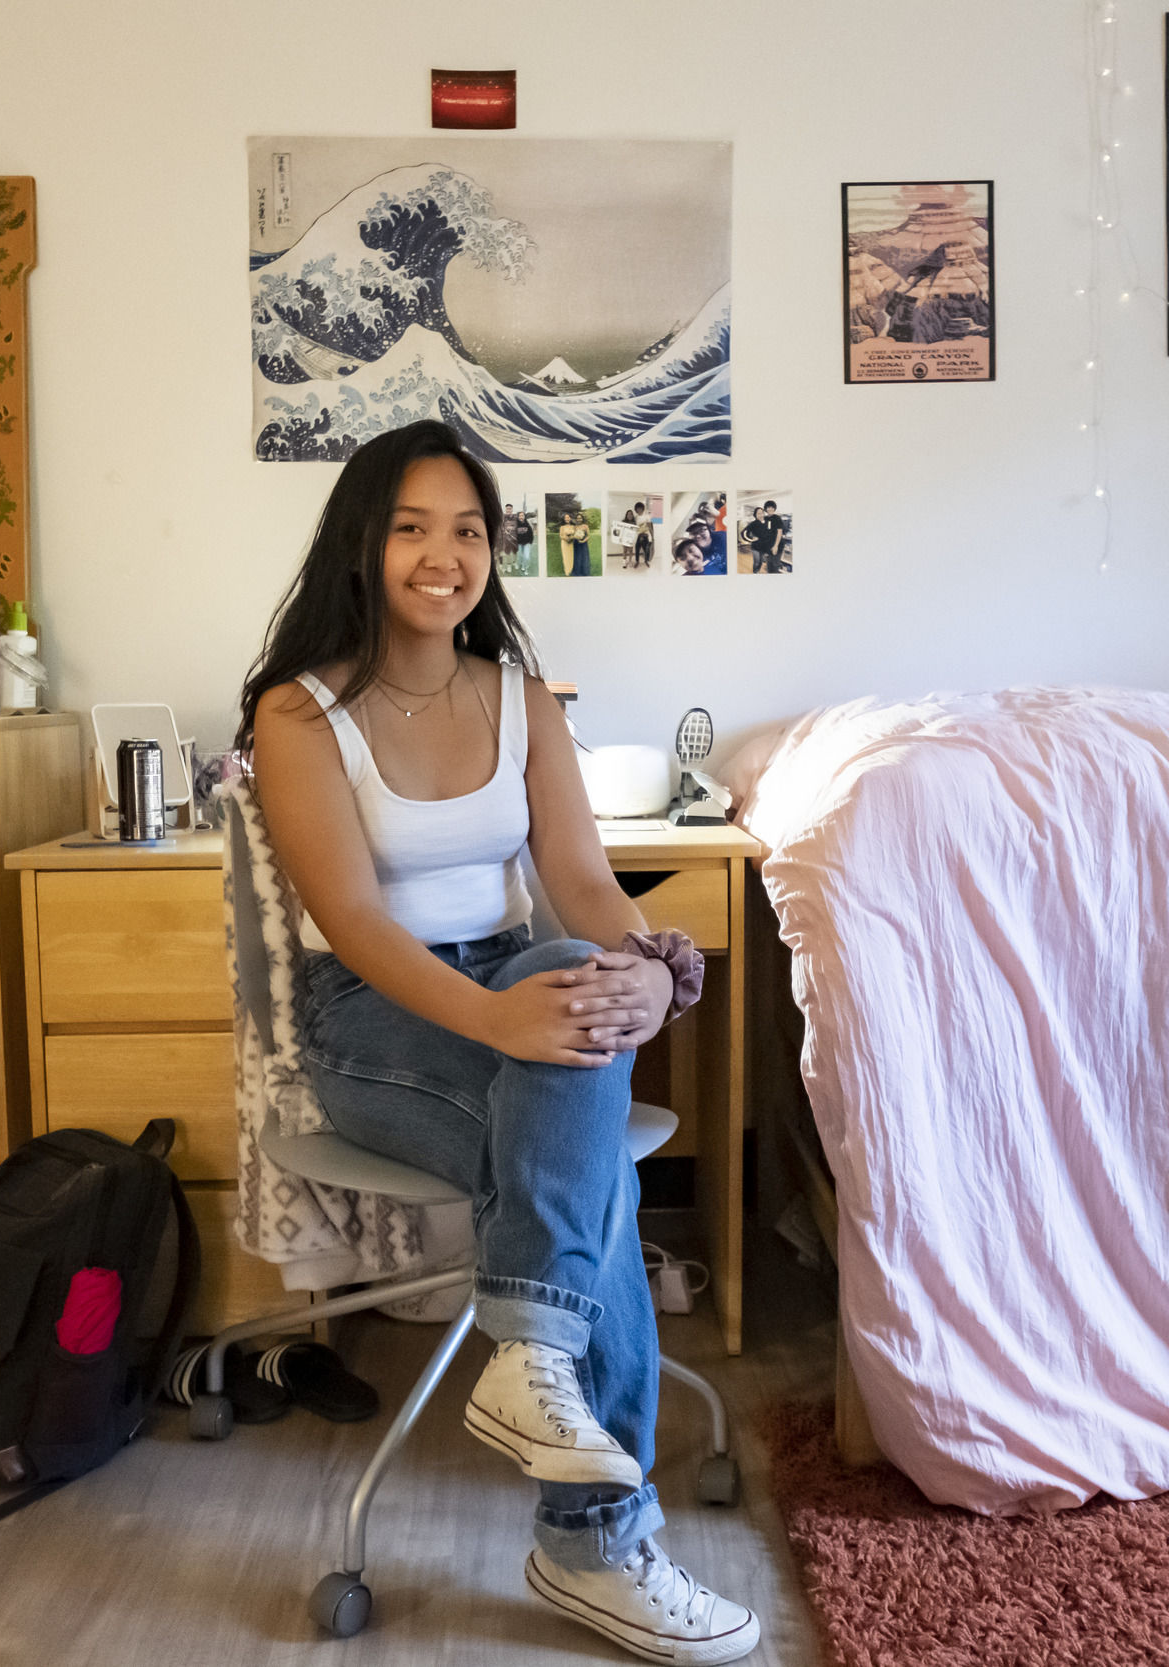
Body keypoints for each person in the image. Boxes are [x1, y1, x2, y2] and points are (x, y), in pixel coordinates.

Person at [236, 420, 758, 1665]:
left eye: (467, 528)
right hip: (367, 1017)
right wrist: (496, 1015)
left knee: (571, 975)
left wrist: (637, 971)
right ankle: (596, 1544)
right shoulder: (300, 713)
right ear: (362, 544)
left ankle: (531, 1355)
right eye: (413, 525)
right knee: (585, 1170)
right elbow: (352, 921)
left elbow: (580, 879)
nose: (443, 552)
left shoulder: (523, 697)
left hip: (508, 993)